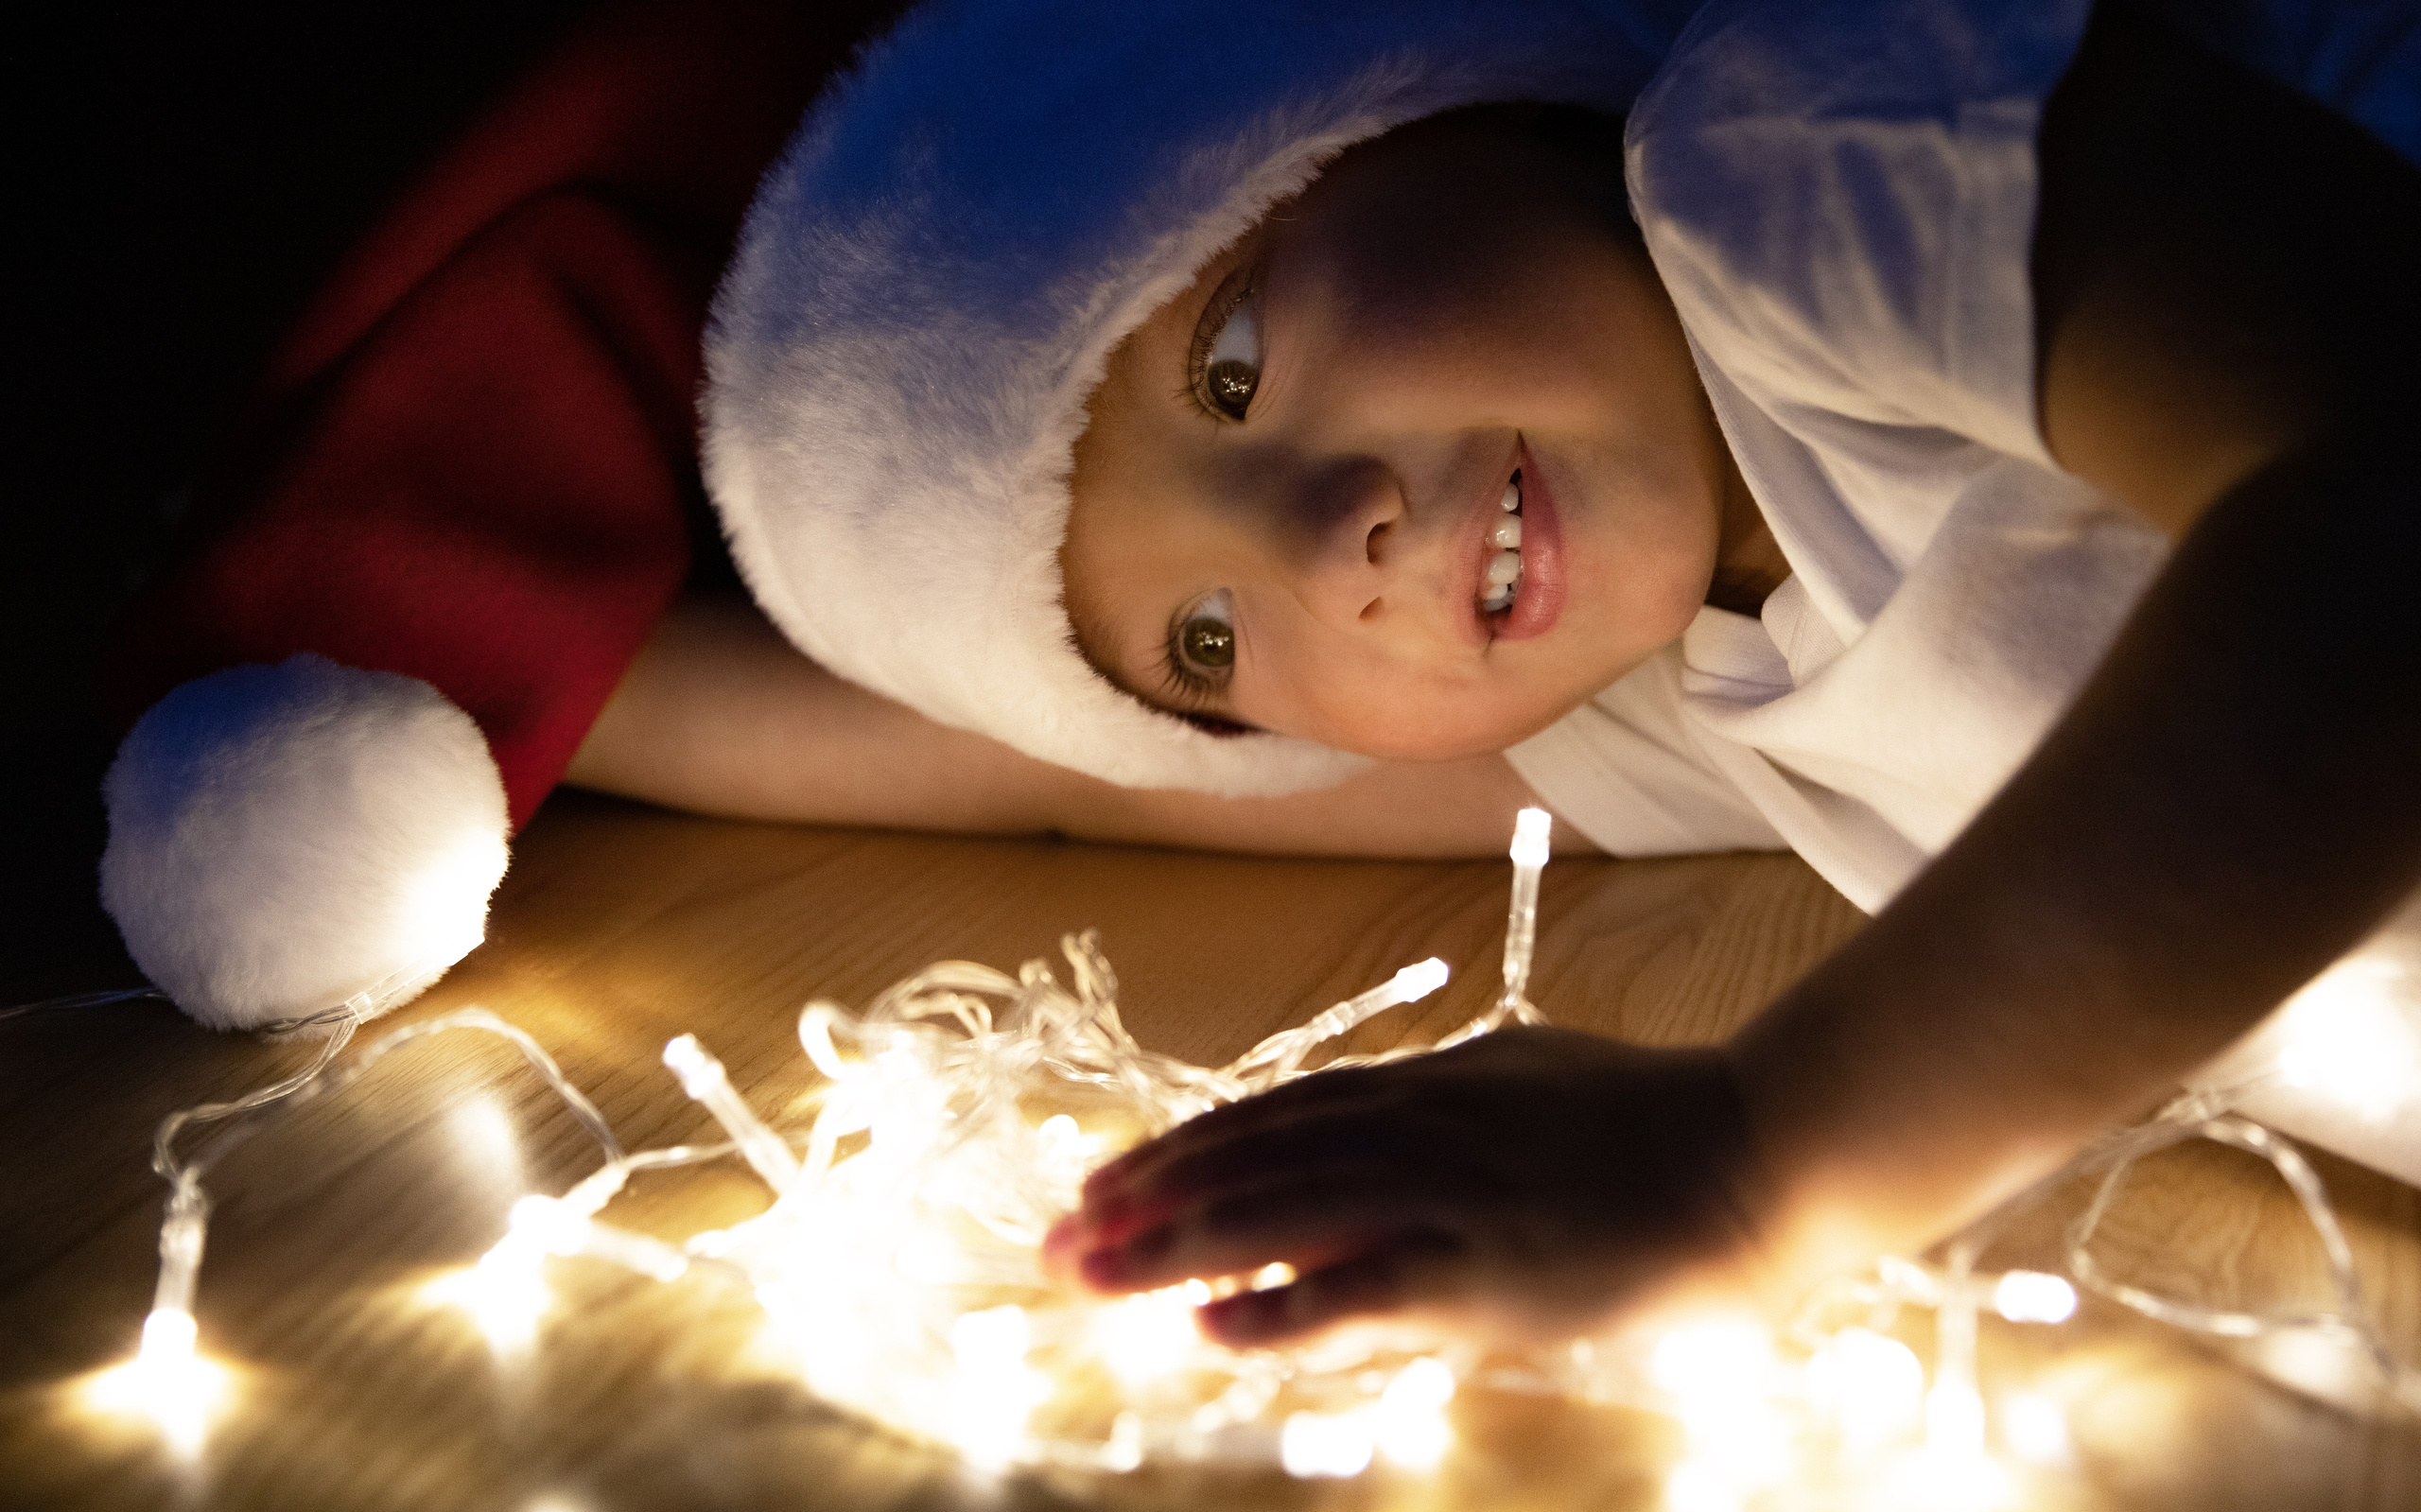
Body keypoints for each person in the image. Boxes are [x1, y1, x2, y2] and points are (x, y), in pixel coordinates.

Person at [102, 0, 2420, 1347]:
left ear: (1411, 95)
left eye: (1229, 355)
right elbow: (1052, 785)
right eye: (1206, 648)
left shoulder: (1786, 154)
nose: (1334, 546)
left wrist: (1761, 1152)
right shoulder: (1641, 698)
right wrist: (465, 662)